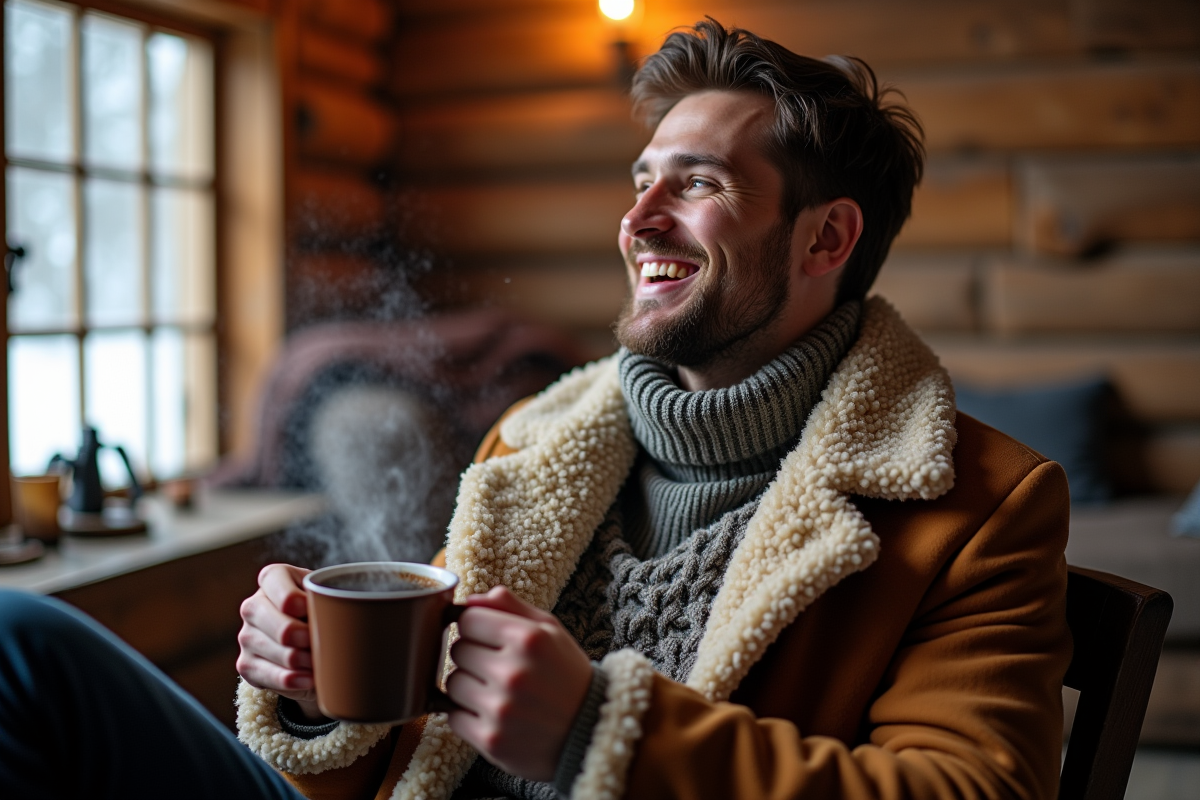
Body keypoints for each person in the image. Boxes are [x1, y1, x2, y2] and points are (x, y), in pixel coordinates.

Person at [0, 19, 1070, 800]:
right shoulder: (535, 438)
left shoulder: (981, 510)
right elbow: (421, 756)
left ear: (825, 241)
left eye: (693, 185)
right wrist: (327, 701)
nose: (638, 218)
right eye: (640, 179)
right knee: (20, 639)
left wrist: (601, 730)